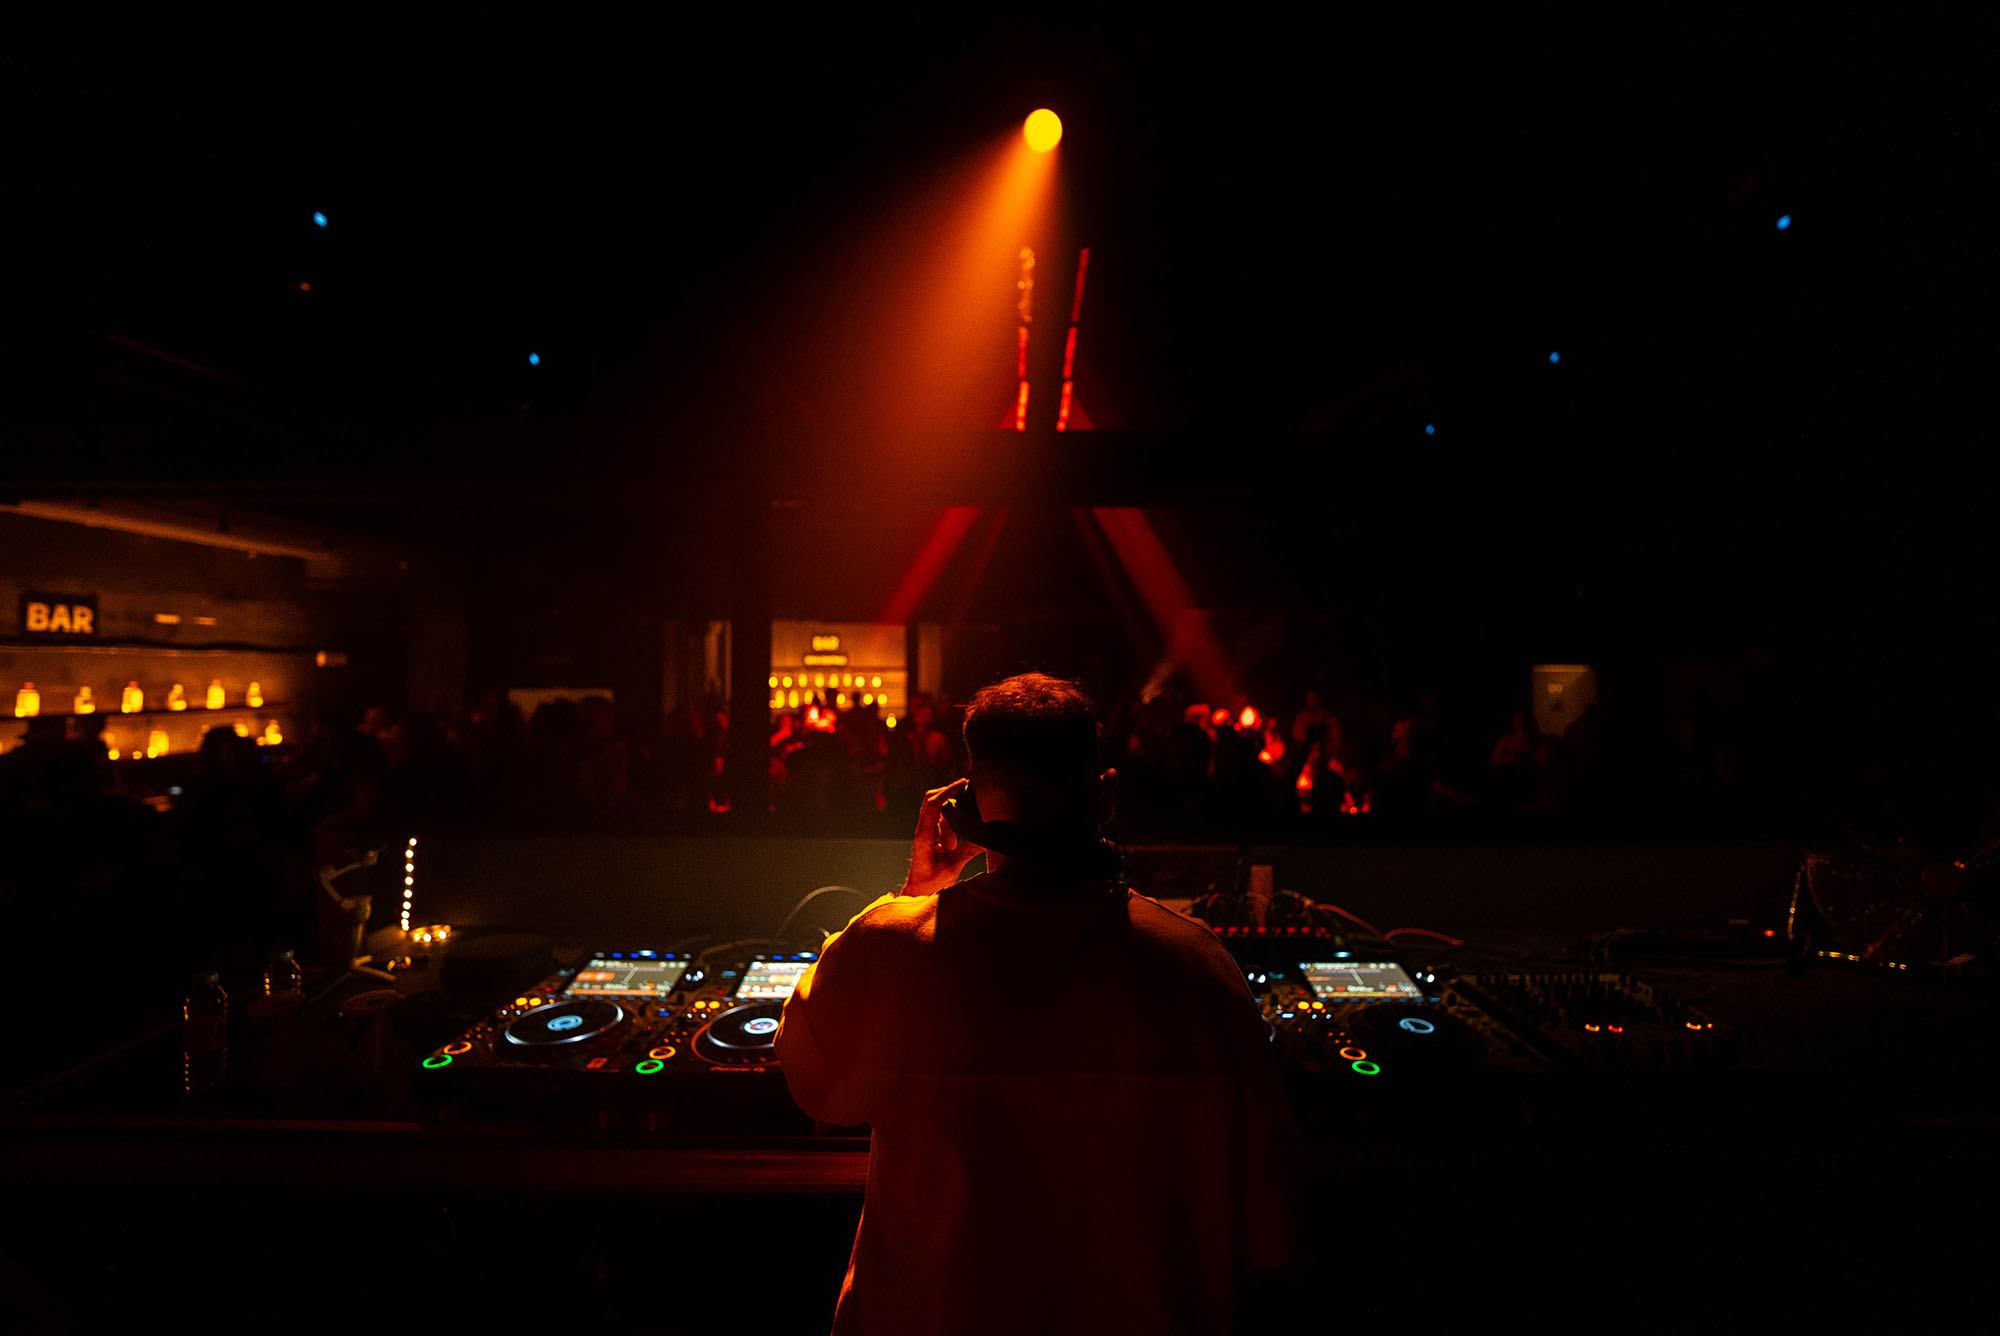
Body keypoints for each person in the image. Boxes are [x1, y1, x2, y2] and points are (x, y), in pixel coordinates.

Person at [778, 673, 1298, 1334]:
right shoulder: (1202, 968)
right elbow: (1272, 1227)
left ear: (966, 807)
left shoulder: (887, 949)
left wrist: (916, 895)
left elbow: (813, 1084)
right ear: (1105, 795)